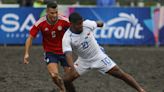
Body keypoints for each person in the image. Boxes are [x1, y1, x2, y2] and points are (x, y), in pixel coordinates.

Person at [62, 12, 146, 92]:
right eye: (78, 24)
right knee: (66, 80)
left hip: (98, 56)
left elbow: (99, 23)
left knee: (120, 74)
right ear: (71, 24)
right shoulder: (67, 37)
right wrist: (72, 69)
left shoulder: (87, 24)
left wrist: (100, 24)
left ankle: (141, 90)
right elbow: (68, 55)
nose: (81, 26)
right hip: (83, 61)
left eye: (81, 23)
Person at [23, 2, 75, 92]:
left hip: (65, 51)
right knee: (54, 75)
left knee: (69, 76)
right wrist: (26, 53)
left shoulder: (64, 20)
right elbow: (30, 38)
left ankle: (67, 88)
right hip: (50, 52)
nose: (54, 15)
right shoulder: (40, 23)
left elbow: (77, 27)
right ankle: (62, 89)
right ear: (47, 11)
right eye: (52, 13)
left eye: (56, 12)